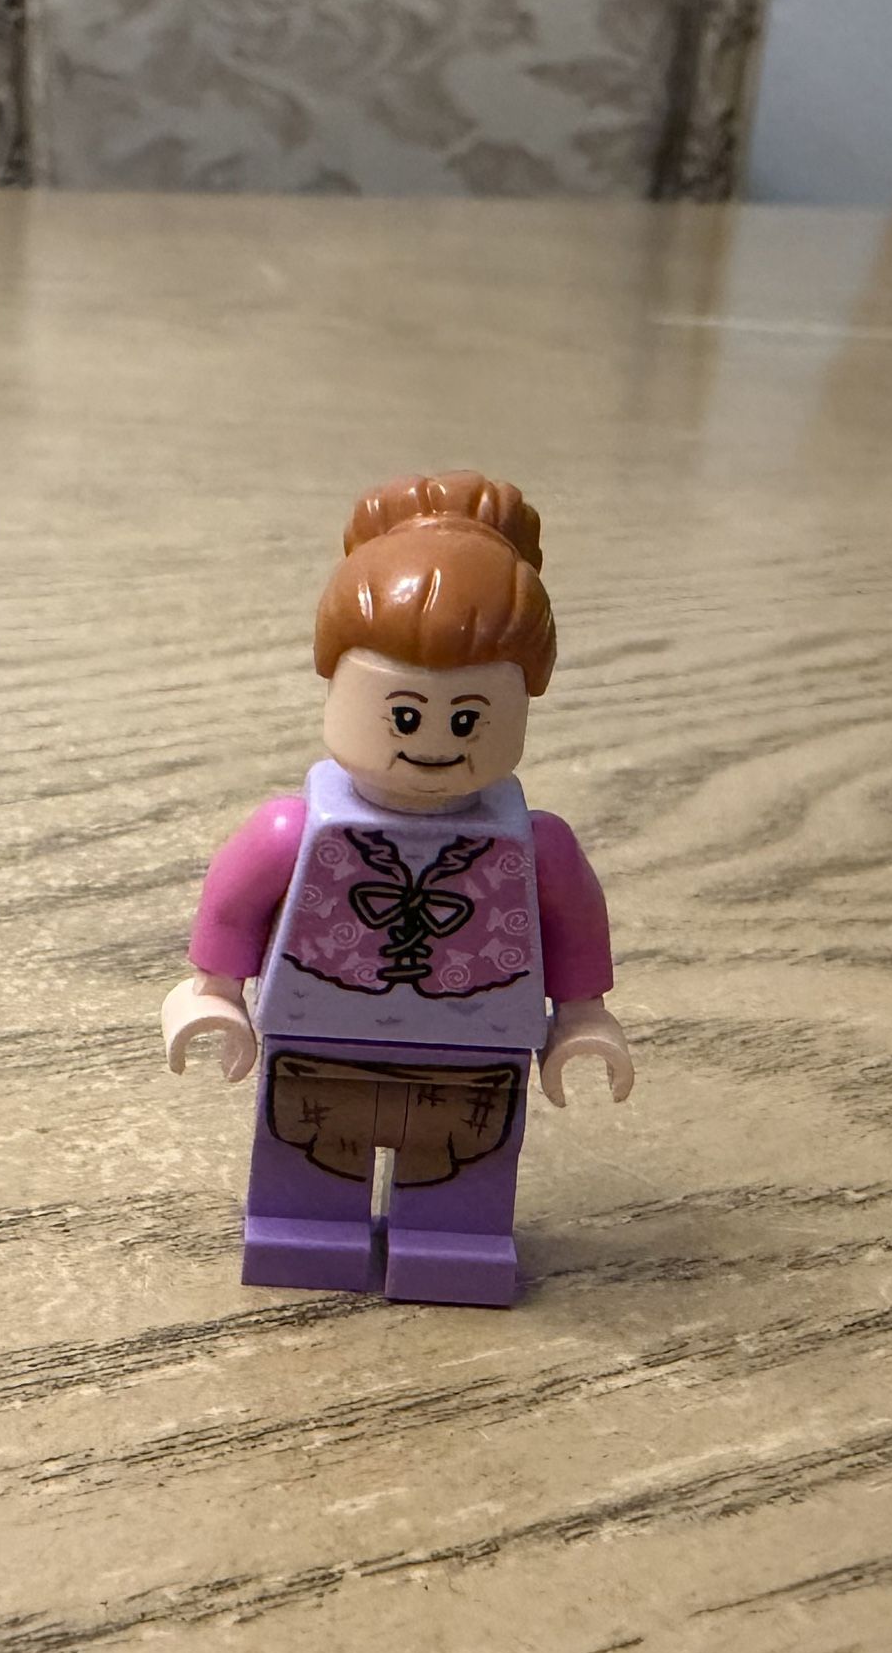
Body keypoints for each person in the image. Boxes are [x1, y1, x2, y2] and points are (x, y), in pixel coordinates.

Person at [162, 471, 632, 1307]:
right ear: (338, 685)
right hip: (319, 1038)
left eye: (468, 718)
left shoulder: (536, 846)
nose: (435, 743)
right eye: (405, 715)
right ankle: (304, 1233)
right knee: (310, 1173)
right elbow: (233, 904)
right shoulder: (293, 830)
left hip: (476, 1054)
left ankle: (454, 1242)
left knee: (461, 1178)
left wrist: (582, 1018)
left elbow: (572, 924)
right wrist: (212, 994)